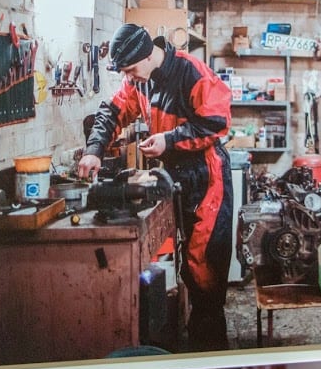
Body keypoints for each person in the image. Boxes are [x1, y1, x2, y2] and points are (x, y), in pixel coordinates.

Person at [78, 24, 233, 351]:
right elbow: (112, 112)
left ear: (149, 55)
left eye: (131, 69)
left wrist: (169, 140)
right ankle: (194, 348)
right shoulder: (139, 80)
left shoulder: (192, 73)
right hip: (176, 175)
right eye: (125, 72)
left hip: (207, 176)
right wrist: (94, 150)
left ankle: (212, 358)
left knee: (204, 268)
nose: (129, 77)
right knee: (188, 266)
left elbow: (217, 123)